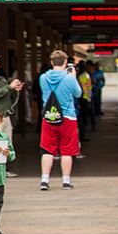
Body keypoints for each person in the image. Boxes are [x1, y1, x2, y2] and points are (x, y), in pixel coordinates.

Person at [39, 51, 83, 190]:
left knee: (47, 150)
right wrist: (73, 77)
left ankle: (44, 181)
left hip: (49, 117)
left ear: (52, 62)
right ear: (65, 62)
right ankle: (66, 181)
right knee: (67, 151)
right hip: (68, 118)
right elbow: (78, 94)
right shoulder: (69, 78)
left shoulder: (43, 77)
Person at [76, 61, 93, 142]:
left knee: (83, 119)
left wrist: (89, 99)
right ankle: (81, 136)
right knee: (81, 119)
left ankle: (82, 135)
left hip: (84, 99)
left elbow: (89, 88)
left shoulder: (84, 76)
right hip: (81, 99)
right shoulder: (77, 76)